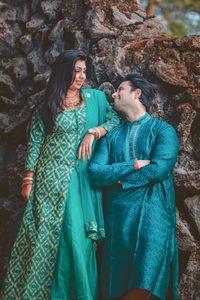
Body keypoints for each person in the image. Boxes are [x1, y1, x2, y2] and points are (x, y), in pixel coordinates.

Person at [1, 50, 120, 300]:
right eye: (77, 70)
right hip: (47, 180)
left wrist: (94, 132)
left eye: (84, 71)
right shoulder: (47, 106)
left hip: (79, 182)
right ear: (64, 72)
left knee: (78, 239)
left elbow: (115, 119)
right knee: (41, 236)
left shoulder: (95, 99)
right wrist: (28, 179)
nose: (81, 76)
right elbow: (35, 143)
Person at [89, 74, 179, 300]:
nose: (114, 94)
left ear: (137, 93)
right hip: (118, 218)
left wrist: (120, 181)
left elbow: (159, 168)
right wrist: (135, 164)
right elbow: (96, 172)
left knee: (148, 275)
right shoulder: (112, 136)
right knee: (116, 280)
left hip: (153, 213)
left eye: (120, 89)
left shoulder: (163, 130)